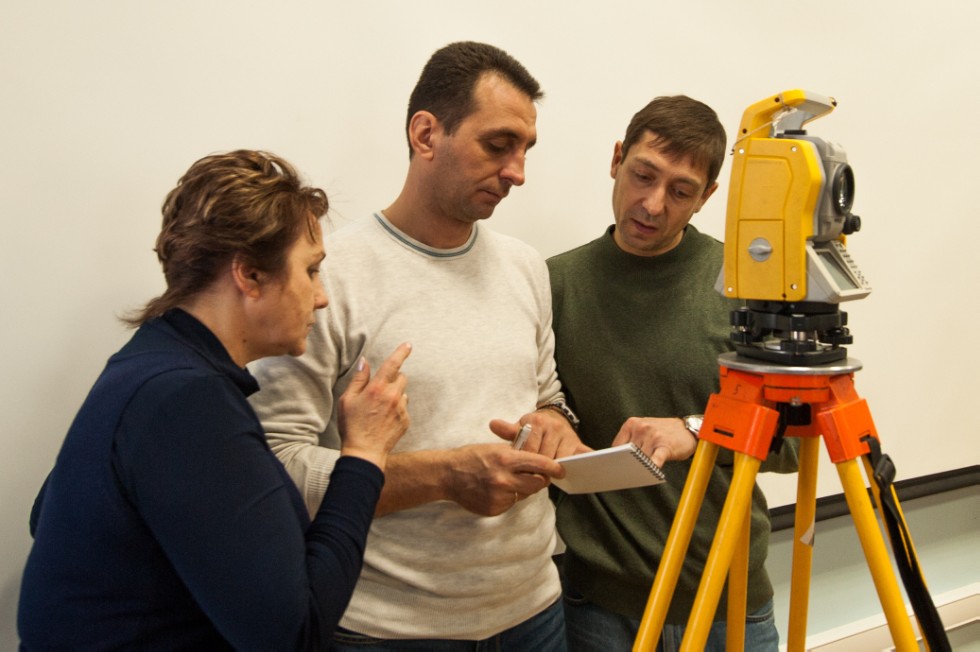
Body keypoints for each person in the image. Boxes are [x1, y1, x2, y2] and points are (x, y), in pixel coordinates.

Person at [248, 41, 584, 649]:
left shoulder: (525, 267)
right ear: (426, 134)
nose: (518, 172)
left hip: (533, 610)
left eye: (526, 149)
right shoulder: (326, 275)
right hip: (385, 628)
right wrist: (446, 475)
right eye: (498, 144)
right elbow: (273, 466)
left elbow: (547, 396)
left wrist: (552, 421)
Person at [18, 150, 412, 650]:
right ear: (248, 275)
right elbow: (295, 635)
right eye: (311, 271)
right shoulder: (185, 399)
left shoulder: (151, 361)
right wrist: (365, 454)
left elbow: (49, 515)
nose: (321, 297)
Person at [547, 95, 800, 651]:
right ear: (617, 158)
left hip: (727, 601)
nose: (653, 204)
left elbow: (794, 444)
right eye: (643, 175)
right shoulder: (554, 283)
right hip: (597, 604)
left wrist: (696, 427)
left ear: (707, 197)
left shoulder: (747, 282)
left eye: (681, 191)